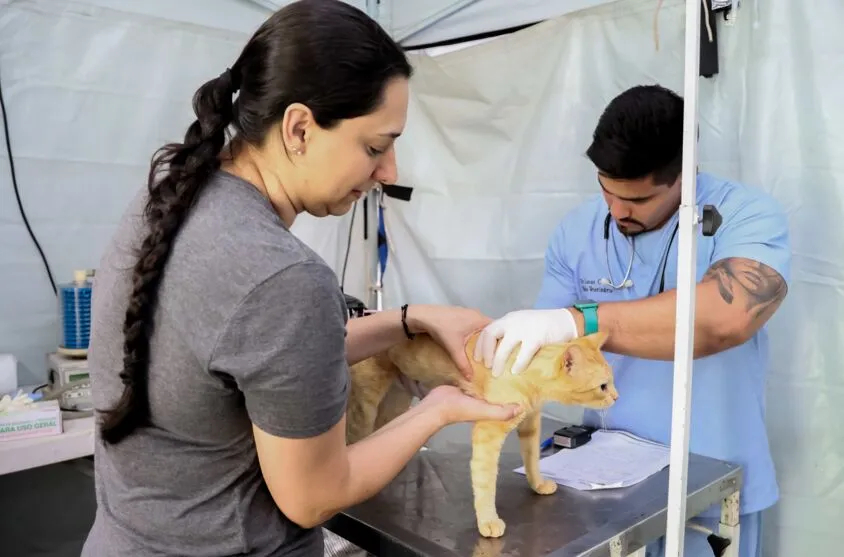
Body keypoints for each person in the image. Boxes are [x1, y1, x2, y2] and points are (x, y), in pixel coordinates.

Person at [80, 2, 521, 556]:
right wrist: (437, 409)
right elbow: (313, 496)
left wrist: (407, 322)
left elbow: (254, 367)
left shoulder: (169, 196)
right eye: (375, 147)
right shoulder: (282, 276)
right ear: (299, 129)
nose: (390, 173)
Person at [473, 84, 790, 557]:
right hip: (602, 484)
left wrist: (580, 321)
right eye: (607, 189)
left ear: (685, 176)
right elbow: (549, 353)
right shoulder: (576, 232)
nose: (618, 211)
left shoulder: (747, 215)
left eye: (638, 201)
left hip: (710, 486)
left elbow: (724, 319)